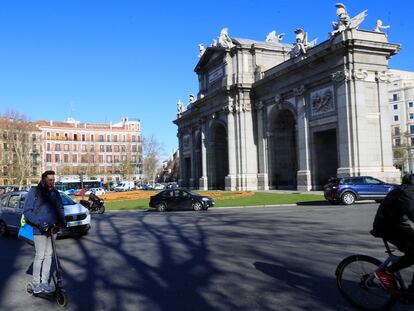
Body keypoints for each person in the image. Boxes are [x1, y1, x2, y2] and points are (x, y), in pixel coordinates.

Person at [23, 170, 66, 294]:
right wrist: (41, 223)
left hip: (53, 229)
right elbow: (27, 211)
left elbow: (60, 209)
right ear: (43, 179)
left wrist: (62, 222)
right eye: (50, 180)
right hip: (40, 229)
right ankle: (36, 283)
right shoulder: (34, 192)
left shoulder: (56, 193)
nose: (52, 182)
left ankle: (44, 283)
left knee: (49, 256)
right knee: (40, 256)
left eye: (53, 180)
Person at [372, 174, 414, 294]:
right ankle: (385, 273)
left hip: (399, 226)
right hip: (387, 227)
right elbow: (412, 211)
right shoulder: (406, 191)